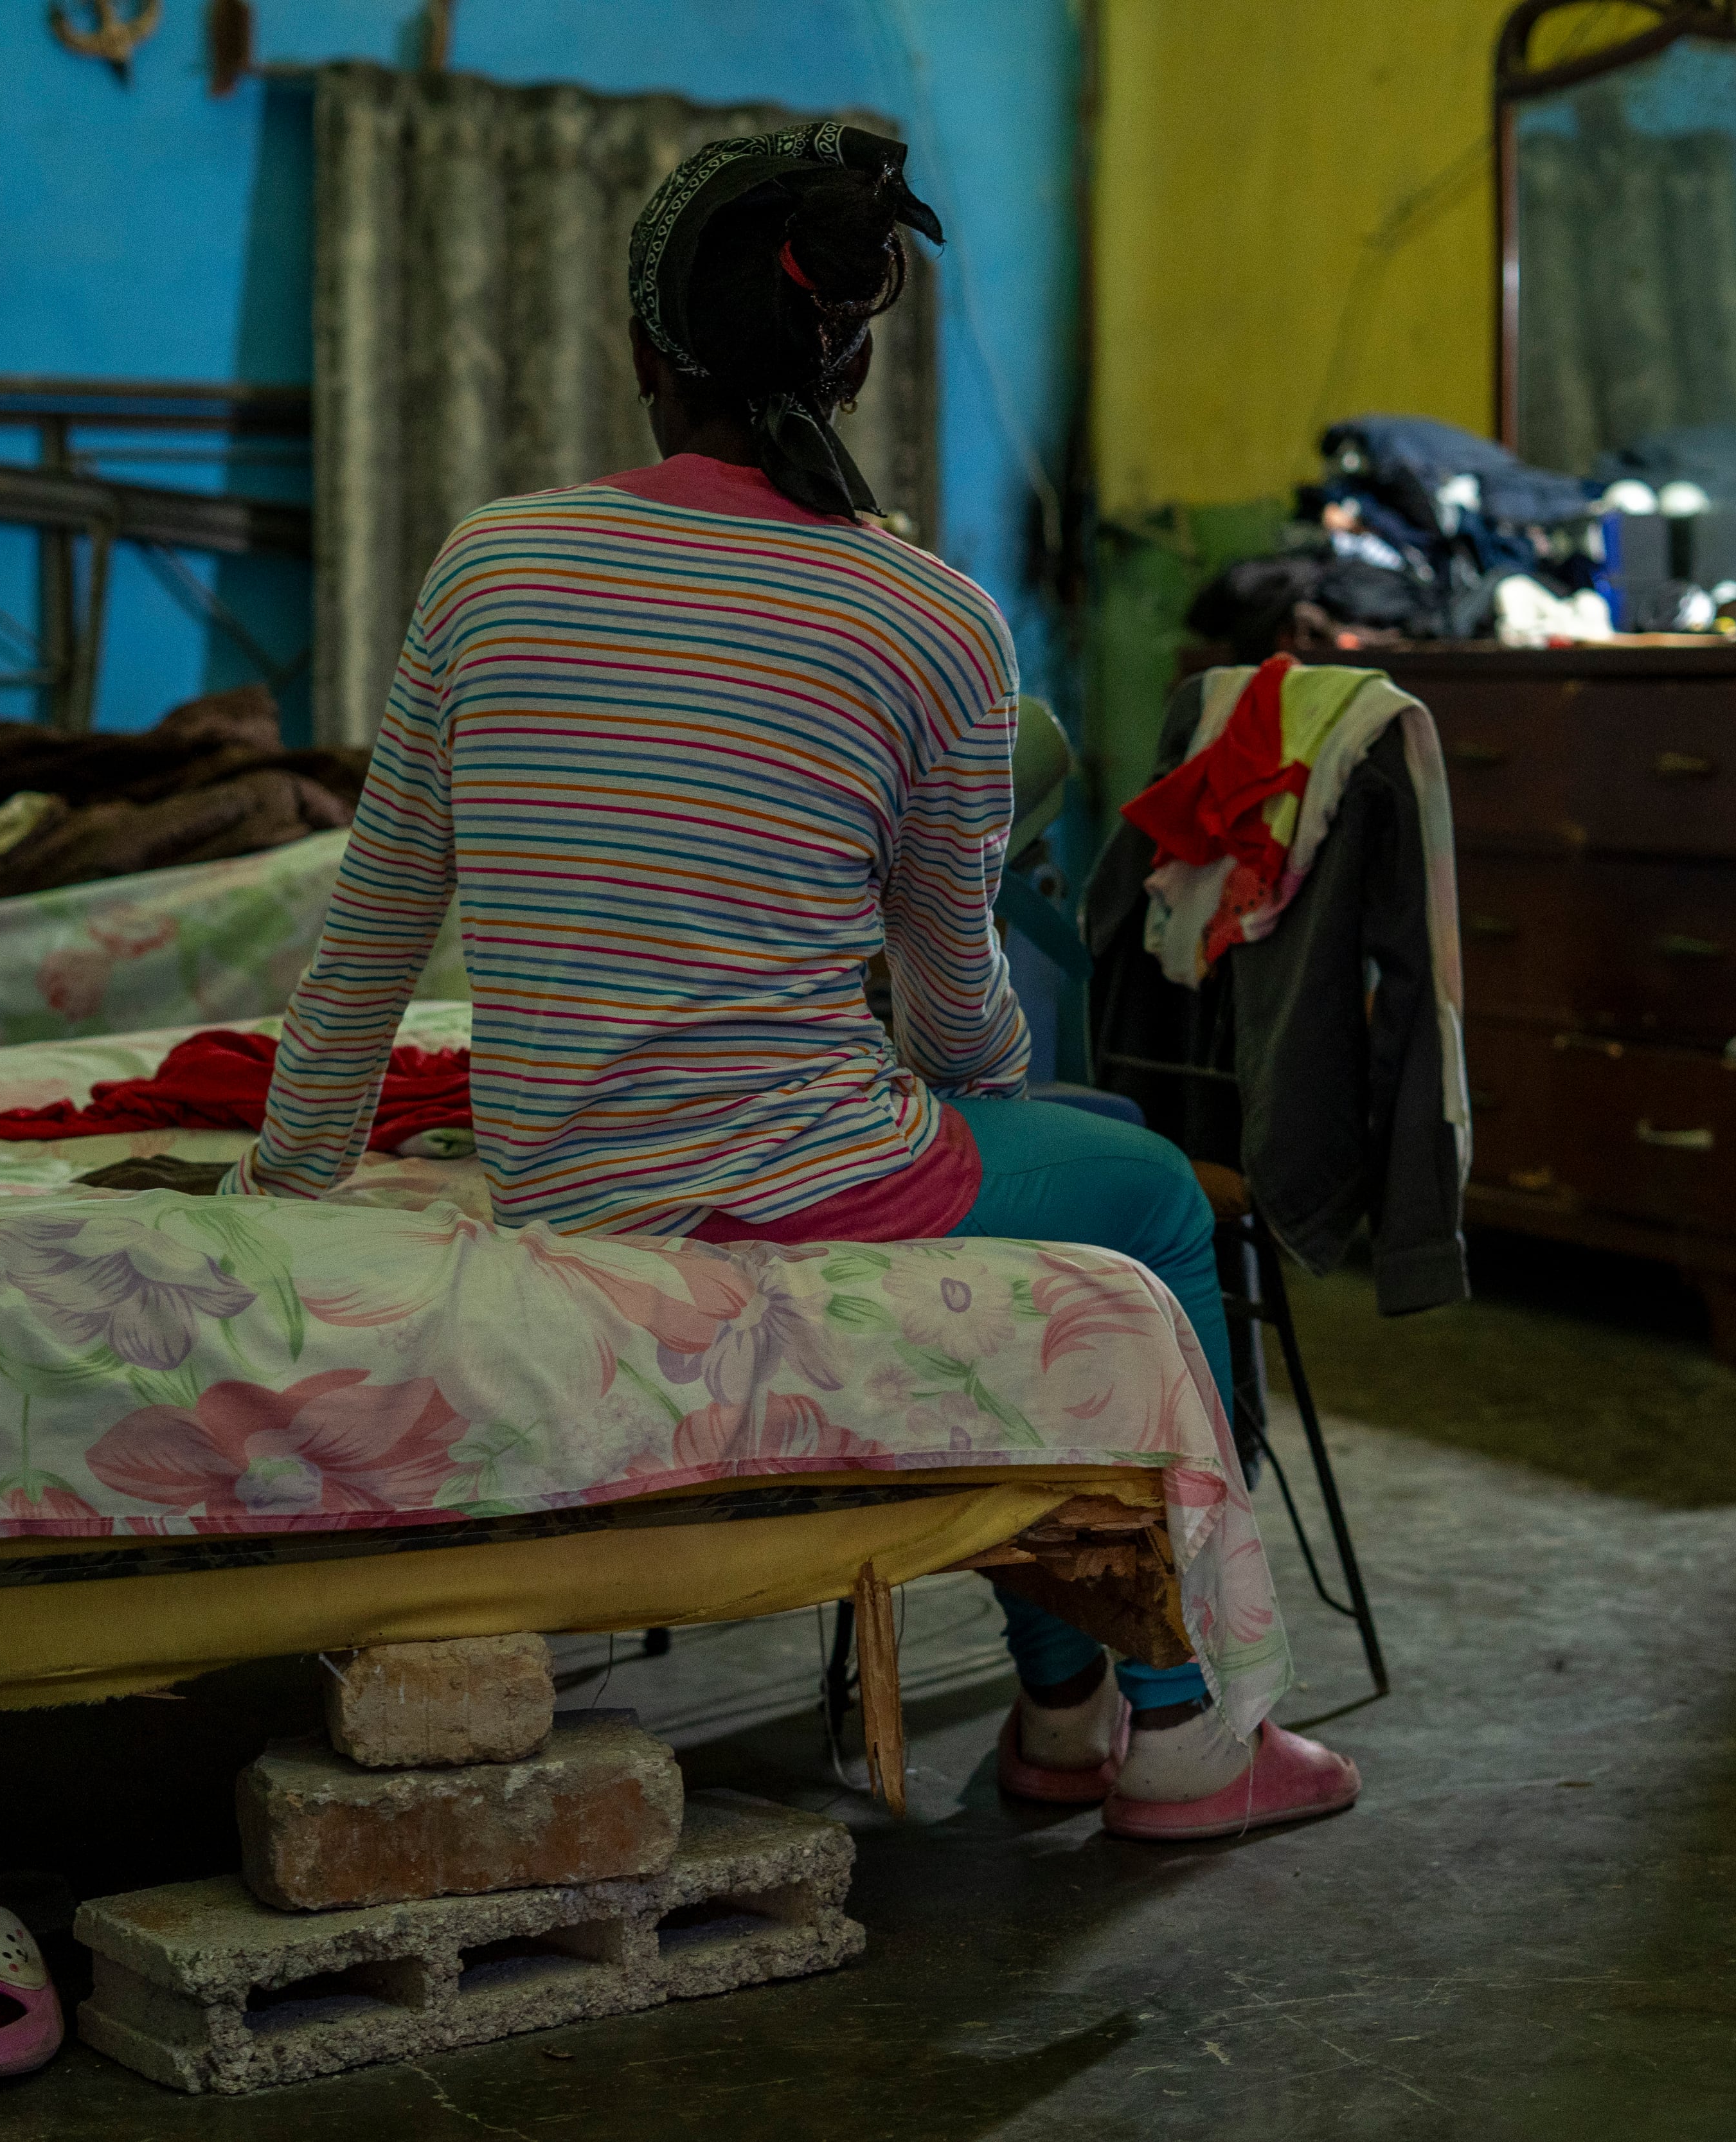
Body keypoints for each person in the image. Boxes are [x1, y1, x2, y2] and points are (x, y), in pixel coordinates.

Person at [238, 123, 1355, 1840]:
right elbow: (953, 977)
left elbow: (375, 926)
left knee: (1065, 1174)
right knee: (1137, 1199)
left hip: (569, 1179)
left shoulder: (490, 564)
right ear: (852, 361)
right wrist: (984, 1091)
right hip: (794, 1174)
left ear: (642, 355)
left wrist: (288, 1175)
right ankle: (1187, 1725)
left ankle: (1062, 1715)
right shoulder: (929, 616)